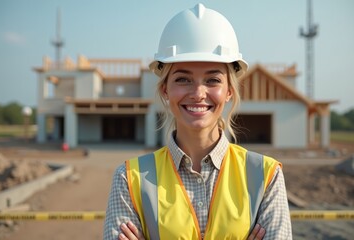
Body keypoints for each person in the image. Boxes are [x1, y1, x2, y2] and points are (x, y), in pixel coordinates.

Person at [104, 3, 292, 240]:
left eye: (213, 80)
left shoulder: (266, 176)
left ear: (229, 91)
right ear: (165, 89)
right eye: (183, 79)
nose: (198, 93)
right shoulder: (129, 179)